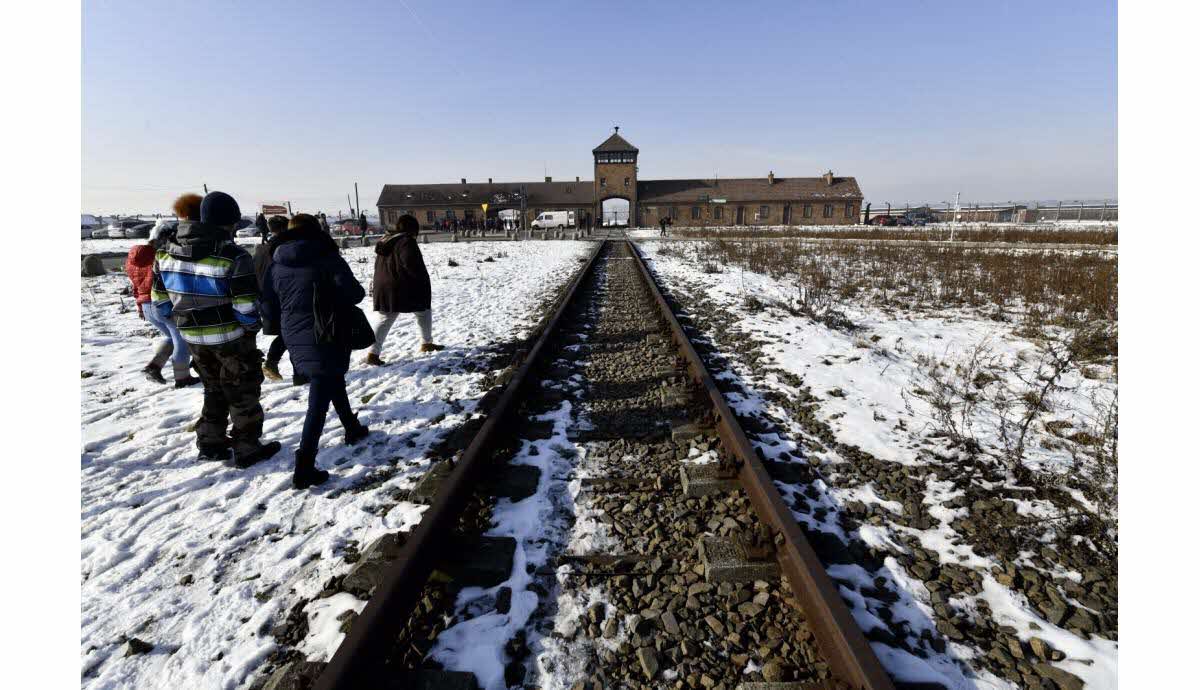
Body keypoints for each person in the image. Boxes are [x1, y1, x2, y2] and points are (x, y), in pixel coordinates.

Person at [151, 191, 281, 466]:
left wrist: (185, 318)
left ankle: (211, 444)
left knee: (213, 388)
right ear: (229, 222)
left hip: (193, 338)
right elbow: (245, 305)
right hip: (231, 338)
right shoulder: (233, 255)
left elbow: (160, 302)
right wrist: (250, 328)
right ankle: (247, 448)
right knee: (242, 393)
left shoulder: (164, 253)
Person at [260, 214, 370, 489]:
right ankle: (304, 466)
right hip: (327, 331)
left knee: (331, 378)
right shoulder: (327, 257)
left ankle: (352, 427)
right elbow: (355, 294)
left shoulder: (276, 263)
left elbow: (268, 306)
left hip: (293, 333)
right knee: (319, 400)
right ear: (316, 231)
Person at [127, 200, 200, 388]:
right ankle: (182, 378)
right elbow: (166, 283)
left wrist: (140, 306)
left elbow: (136, 285)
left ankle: (153, 367)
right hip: (161, 304)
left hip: (146, 305)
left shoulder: (132, 258)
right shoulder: (161, 256)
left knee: (172, 337)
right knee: (182, 340)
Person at [366, 214, 443, 366]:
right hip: (400, 285)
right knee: (420, 310)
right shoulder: (406, 242)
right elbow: (411, 264)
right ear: (412, 229)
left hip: (384, 283)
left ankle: (373, 353)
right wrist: (421, 281)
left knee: (417, 312)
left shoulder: (386, 240)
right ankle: (373, 354)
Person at [254, 215, 290, 381]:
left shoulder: (261, 250)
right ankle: (273, 362)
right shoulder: (283, 249)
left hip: (265, 298)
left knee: (288, 331)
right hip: (280, 297)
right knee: (291, 331)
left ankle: (273, 362)